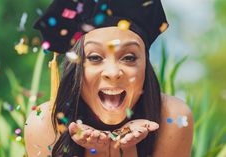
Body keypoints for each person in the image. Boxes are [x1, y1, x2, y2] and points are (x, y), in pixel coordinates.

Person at [24, 0, 193, 157]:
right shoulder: (46, 123)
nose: (113, 73)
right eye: (95, 57)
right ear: (75, 67)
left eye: (129, 58)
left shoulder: (172, 117)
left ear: (146, 66)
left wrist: (126, 151)